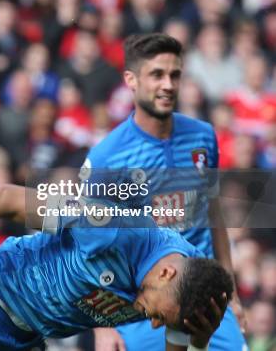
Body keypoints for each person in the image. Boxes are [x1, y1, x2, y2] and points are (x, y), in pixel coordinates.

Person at [0, 184, 232, 351]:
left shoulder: (187, 281)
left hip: (25, 340)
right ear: (165, 272)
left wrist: (194, 341)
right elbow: (1, 196)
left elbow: (174, 325)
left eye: (164, 323)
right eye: (160, 316)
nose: (153, 322)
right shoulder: (111, 227)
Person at [81, 33, 246, 350]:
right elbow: (88, 248)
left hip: (208, 299)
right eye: (157, 74)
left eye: (175, 74)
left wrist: (233, 294)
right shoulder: (107, 158)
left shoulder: (203, 136)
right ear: (131, 80)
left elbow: (214, 214)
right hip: (145, 306)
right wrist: (100, 327)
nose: (168, 84)